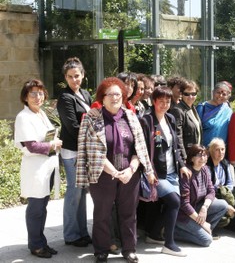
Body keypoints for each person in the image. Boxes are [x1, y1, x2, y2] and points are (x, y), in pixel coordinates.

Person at [76, 77, 155, 263]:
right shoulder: (91, 119)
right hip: (103, 174)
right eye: (109, 94)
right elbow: (89, 150)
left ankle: (129, 249)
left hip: (130, 174)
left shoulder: (131, 116)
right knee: (102, 214)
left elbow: (140, 148)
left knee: (128, 213)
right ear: (102, 98)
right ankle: (101, 250)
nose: (114, 98)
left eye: (118, 94)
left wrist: (131, 169)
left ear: (123, 96)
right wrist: (115, 172)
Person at [140, 86, 191, 257]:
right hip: (156, 173)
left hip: (172, 171)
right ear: (154, 102)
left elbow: (175, 146)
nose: (164, 104)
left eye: (167, 101)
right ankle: (169, 243)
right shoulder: (146, 121)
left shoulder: (170, 118)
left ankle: (154, 234)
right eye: (160, 101)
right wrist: (149, 171)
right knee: (175, 202)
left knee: (171, 204)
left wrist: (182, 164)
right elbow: (143, 149)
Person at [14, 79, 63, 259]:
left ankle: (41, 241)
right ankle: (35, 245)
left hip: (46, 168)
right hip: (35, 169)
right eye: (33, 93)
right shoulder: (23, 117)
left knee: (42, 207)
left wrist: (53, 142)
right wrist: (53, 144)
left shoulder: (41, 113)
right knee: (36, 209)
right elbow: (32, 146)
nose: (37, 97)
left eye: (40, 93)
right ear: (25, 97)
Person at [57, 57, 92, 247]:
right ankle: (71, 235)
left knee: (82, 192)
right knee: (74, 192)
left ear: (83, 75)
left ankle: (82, 232)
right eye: (70, 77)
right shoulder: (64, 98)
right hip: (72, 151)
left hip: (84, 151)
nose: (74, 80)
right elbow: (73, 127)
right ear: (65, 78)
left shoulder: (85, 94)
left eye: (77, 76)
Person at [174, 145, 229, 247]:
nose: (202, 158)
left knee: (223, 205)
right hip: (184, 215)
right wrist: (202, 223)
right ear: (192, 158)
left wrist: (204, 207)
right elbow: (184, 204)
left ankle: (204, 230)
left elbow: (211, 191)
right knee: (206, 240)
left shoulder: (205, 169)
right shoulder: (186, 174)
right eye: (199, 156)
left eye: (204, 155)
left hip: (198, 208)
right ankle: (173, 231)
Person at [169, 80, 202, 160]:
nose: (190, 97)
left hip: (195, 154)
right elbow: (177, 137)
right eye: (187, 94)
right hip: (186, 156)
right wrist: (184, 158)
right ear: (181, 94)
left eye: (193, 94)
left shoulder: (193, 108)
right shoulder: (177, 110)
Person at [206, 138, 235, 227]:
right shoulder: (206, 167)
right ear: (211, 151)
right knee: (225, 219)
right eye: (217, 150)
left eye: (222, 149)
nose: (221, 152)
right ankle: (209, 225)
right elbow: (208, 189)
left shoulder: (225, 164)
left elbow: (231, 183)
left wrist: (225, 192)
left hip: (224, 193)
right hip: (211, 197)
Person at [196, 81, 232, 146]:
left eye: (224, 94)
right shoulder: (202, 107)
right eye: (218, 92)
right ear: (213, 92)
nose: (220, 96)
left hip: (221, 151)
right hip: (205, 150)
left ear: (227, 96)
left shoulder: (228, 110)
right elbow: (195, 131)